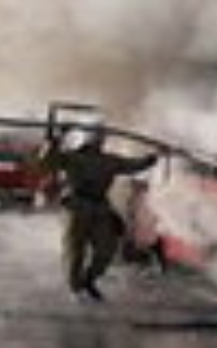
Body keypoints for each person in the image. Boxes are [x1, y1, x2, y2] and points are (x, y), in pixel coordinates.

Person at [40, 125, 157, 301]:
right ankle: (75, 288)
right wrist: (55, 140)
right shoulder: (72, 157)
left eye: (100, 138)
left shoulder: (108, 161)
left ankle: (89, 279)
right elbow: (46, 162)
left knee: (106, 249)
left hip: (99, 208)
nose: (99, 142)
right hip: (77, 207)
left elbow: (134, 165)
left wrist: (153, 158)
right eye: (96, 138)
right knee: (75, 250)